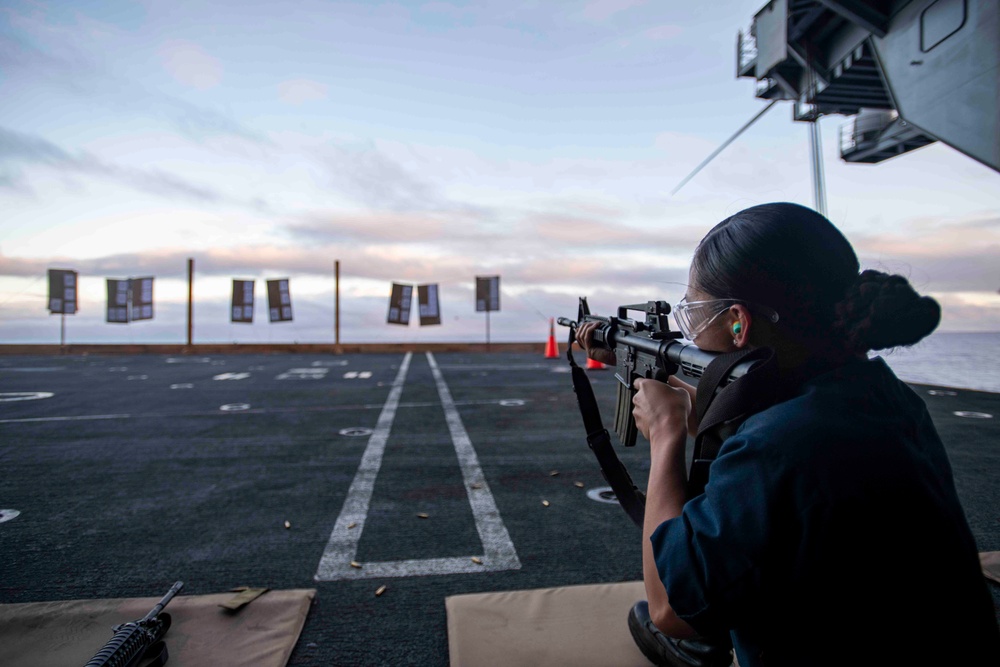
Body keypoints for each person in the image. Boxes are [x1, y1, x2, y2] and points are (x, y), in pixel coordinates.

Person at [576, 203, 1000, 667]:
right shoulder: (882, 396)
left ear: (739, 321)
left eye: (694, 313)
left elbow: (672, 609)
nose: (691, 331)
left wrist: (665, 432)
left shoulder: (779, 446)